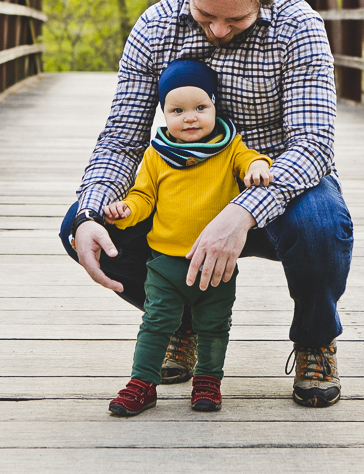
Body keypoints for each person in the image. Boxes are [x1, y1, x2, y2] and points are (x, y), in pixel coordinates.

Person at [60, 0, 353, 408]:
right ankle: (183, 323)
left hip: (275, 184)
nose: (218, 30)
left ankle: (314, 340)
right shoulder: (154, 27)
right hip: (177, 190)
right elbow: (121, 141)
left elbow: (313, 146)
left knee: (323, 224)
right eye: (204, 15)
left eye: (235, 19)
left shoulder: (299, 26)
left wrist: (242, 210)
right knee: (82, 227)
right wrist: (90, 212)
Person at [105, 60, 272, 416]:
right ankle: (142, 382)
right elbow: (143, 197)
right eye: (177, 110)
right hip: (166, 264)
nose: (190, 117)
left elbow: (249, 160)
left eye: (200, 107)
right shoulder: (157, 155)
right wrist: (126, 211)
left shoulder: (229, 148)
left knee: (214, 326)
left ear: (214, 106)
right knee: (155, 324)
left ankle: (208, 380)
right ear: (164, 113)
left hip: (216, 263)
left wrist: (258, 166)